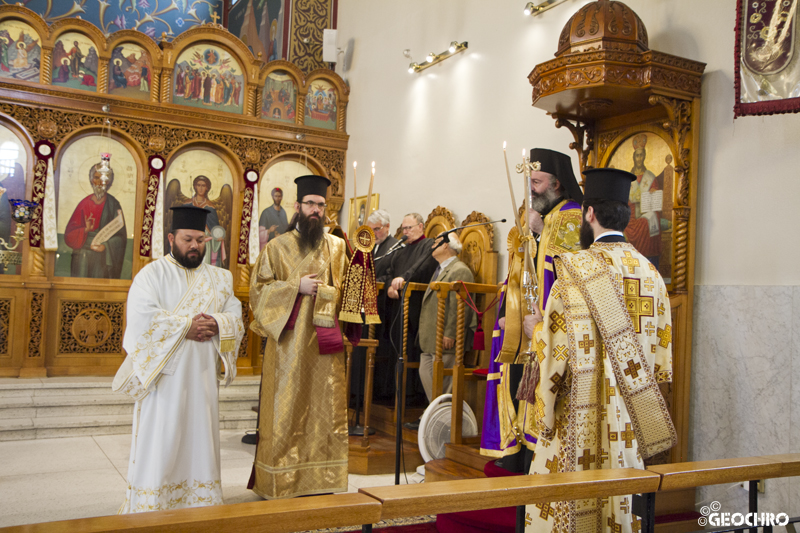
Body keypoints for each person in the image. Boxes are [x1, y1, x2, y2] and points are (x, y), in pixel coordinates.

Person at [520, 168, 675, 533]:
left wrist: (536, 331)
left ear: (589, 214)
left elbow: (555, 354)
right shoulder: (651, 274)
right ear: (627, 215)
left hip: (581, 413)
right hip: (631, 415)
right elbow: (662, 356)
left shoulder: (573, 270)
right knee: (620, 501)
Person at [114, 205, 244, 513]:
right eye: (188, 239)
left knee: (200, 439)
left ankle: (201, 502)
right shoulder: (151, 275)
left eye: (201, 240)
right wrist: (187, 326)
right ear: (172, 238)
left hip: (201, 378)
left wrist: (218, 324)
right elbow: (142, 320)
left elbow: (235, 316)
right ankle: (152, 505)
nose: (195, 246)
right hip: (165, 380)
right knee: (162, 439)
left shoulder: (221, 279)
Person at [481, 148, 583, 470]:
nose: (531, 190)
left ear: (557, 184)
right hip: (528, 323)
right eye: (530, 182)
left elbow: (564, 277)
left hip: (551, 329)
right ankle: (516, 453)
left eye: (537, 182)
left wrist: (543, 321)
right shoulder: (545, 216)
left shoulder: (570, 217)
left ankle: (532, 458)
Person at [249, 174, 348, 499]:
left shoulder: (336, 246)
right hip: (288, 347)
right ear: (298, 206)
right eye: (310, 204)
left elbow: (348, 293)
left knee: (325, 408)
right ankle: (281, 480)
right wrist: (295, 287)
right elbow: (258, 292)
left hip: (325, 346)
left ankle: (323, 478)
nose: (316, 210)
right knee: (285, 408)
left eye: (321, 204)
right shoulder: (277, 246)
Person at [375, 213, 438, 402]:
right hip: (397, 305)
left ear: (421, 227)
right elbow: (388, 272)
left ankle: (411, 395)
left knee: (410, 347)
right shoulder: (401, 248)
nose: (405, 232)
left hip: (416, 305)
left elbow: (423, 268)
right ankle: (392, 392)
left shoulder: (428, 245)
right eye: (403, 228)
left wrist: (404, 281)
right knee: (394, 346)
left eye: (409, 228)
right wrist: (389, 289)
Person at [416, 233, 476, 407]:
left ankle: (447, 420)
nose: (432, 246)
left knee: (445, 383)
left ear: (445, 246)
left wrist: (451, 333)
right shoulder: (440, 269)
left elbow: (460, 306)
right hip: (431, 336)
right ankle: (437, 414)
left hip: (447, 337)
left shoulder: (460, 270)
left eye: (435, 242)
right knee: (427, 373)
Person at [64, 162, 127, 279]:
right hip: (82, 255)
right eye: (96, 178)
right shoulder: (84, 203)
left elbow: (121, 237)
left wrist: (106, 247)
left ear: (109, 182)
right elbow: (69, 235)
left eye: (104, 179)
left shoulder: (113, 204)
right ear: (91, 180)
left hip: (102, 258)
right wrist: (84, 230)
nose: (99, 183)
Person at [624, 133, 664, 268]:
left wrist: (653, 193)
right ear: (633, 157)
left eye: (641, 155)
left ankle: (648, 264)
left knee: (648, 221)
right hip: (630, 215)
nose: (639, 158)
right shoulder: (628, 177)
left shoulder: (650, 177)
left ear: (645, 157)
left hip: (646, 213)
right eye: (637, 155)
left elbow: (656, 198)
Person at [182, 175, 225, 267]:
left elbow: (214, 228)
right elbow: (180, 224)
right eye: (198, 185)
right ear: (195, 187)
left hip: (205, 241)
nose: (201, 188)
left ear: (207, 188)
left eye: (203, 186)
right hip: (188, 237)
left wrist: (218, 237)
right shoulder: (187, 204)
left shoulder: (210, 207)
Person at [367, 209, 397, 281]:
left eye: (376, 229)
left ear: (387, 226)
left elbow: (392, 275)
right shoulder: (368, 247)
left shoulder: (396, 247)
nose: (372, 234)